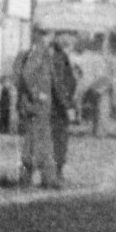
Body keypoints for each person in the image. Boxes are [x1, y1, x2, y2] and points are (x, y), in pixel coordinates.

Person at [12, 24, 60, 188]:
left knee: (35, 142)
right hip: (36, 106)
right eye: (49, 34)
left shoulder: (41, 52)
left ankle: (35, 177)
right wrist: (36, 93)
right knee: (39, 142)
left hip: (39, 107)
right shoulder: (38, 52)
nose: (51, 37)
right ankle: (45, 178)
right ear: (45, 35)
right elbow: (27, 74)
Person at [49, 32, 78, 186]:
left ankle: (55, 173)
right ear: (66, 46)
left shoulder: (58, 58)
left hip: (56, 105)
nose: (72, 49)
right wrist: (67, 106)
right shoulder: (60, 59)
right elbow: (59, 84)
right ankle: (56, 175)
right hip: (58, 108)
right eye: (71, 46)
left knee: (57, 140)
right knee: (59, 141)